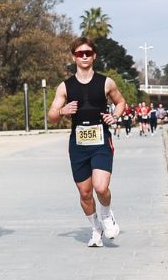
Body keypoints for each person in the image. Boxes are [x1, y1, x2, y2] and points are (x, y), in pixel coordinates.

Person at [47, 37, 127, 247]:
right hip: (78, 144)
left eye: (88, 53)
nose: (84, 56)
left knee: (100, 187)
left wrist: (115, 116)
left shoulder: (106, 82)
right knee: (84, 193)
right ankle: (95, 228)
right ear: (74, 57)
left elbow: (121, 102)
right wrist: (62, 111)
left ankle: (107, 215)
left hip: (101, 141)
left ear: (94, 56)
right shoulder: (65, 87)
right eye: (80, 53)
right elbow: (52, 115)